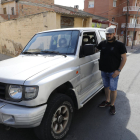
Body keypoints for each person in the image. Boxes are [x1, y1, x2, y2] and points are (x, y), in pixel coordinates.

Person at [97, 27, 127, 115]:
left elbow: (124, 58)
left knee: (113, 89)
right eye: (107, 34)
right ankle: (107, 101)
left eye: (110, 34)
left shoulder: (119, 45)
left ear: (114, 34)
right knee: (106, 86)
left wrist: (118, 70)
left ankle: (112, 105)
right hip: (104, 70)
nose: (108, 36)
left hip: (113, 72)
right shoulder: (102, 43)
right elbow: (95, 49)